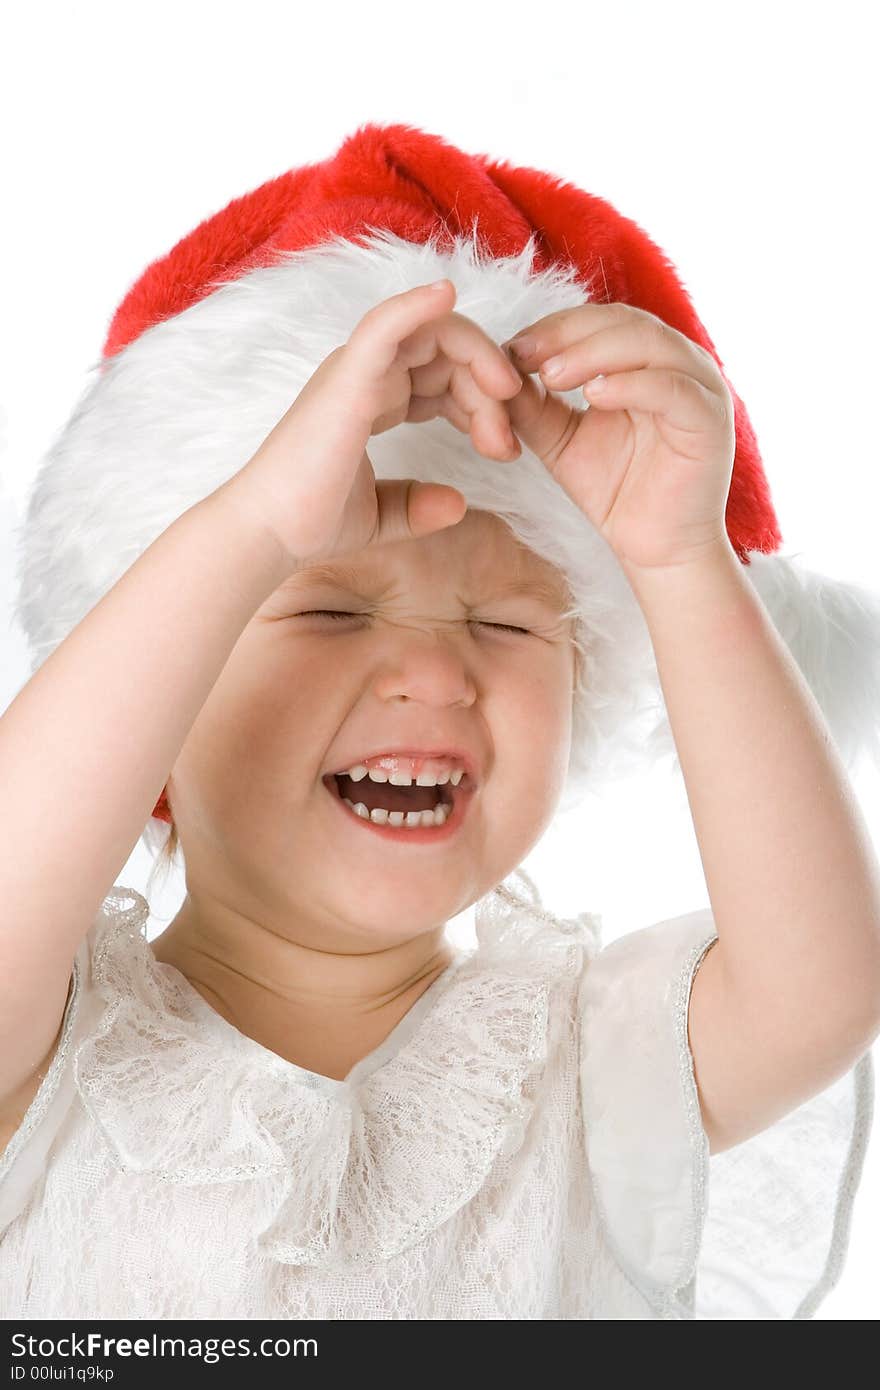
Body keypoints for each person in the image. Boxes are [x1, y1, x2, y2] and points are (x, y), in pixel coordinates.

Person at [1, 121, 878, 1320]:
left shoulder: (585, 1070)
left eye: (508, 629)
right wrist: (253, 517)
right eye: (327, 611)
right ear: (158, 686)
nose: (434, 675)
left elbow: (820, 985)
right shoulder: (46, 1059)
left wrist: (676, 560)